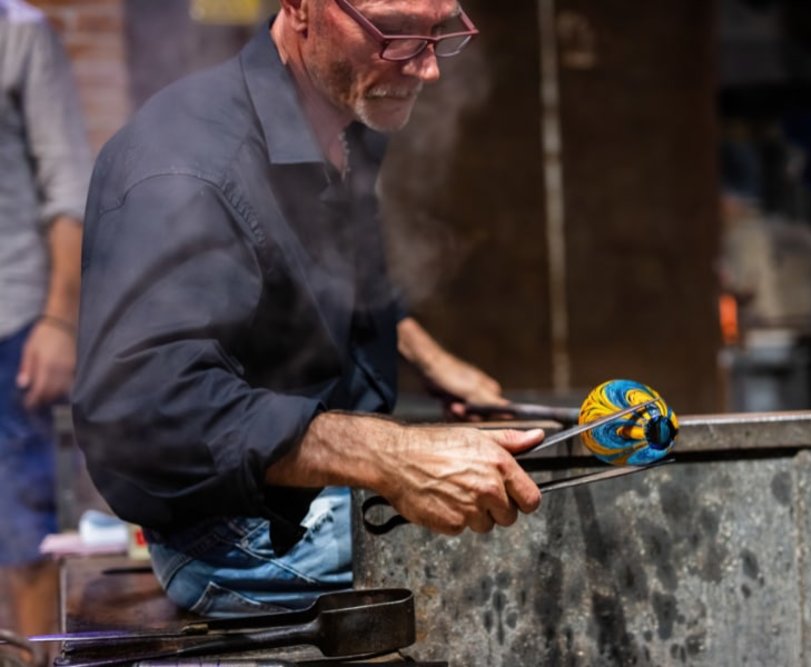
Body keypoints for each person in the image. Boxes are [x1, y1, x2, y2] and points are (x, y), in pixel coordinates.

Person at [72, 0, 543, 617]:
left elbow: (323, 275)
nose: (428, 68)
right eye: (397, 31)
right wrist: (392, 457)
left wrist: (429, 358)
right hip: (227, 538)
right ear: (300, 8)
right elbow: (145, 410)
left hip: (316, 491)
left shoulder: (344, 110)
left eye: (440, 30)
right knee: (542, 543)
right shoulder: (185, 168)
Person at [0, 0, 91, 636]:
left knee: (22, 533)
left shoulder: (18, 34)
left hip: (9, 324)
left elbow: (67, 188)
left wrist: (59, 320)